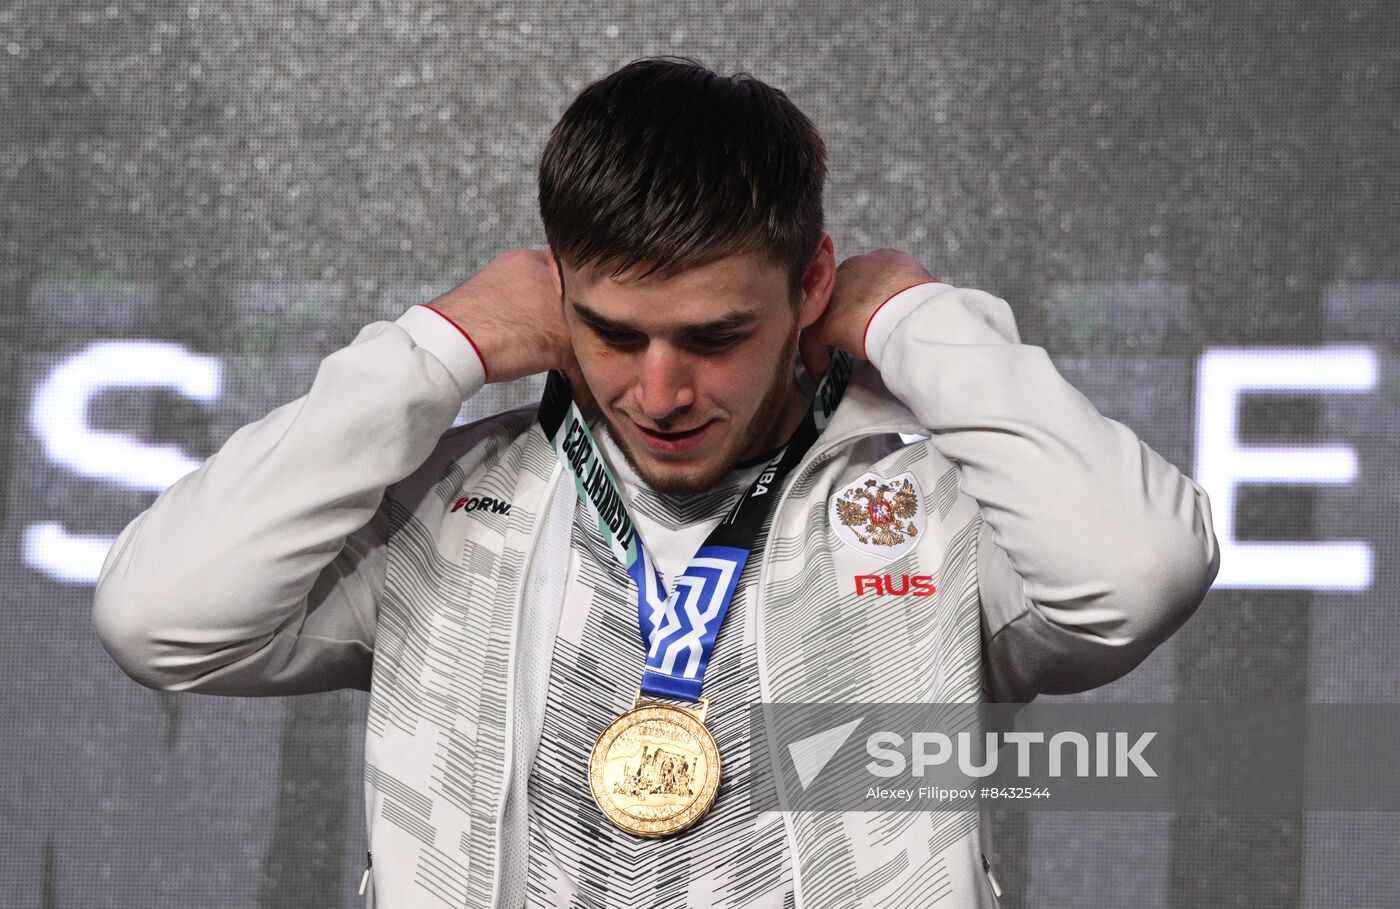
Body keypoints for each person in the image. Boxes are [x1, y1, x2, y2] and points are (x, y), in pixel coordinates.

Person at [92, 56, 1220, 907]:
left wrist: (917, 320)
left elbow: (1134, 573)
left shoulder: (929, 513)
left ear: (809, 283)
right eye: (614, 334)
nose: (661, 390)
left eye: (714, 335)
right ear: (557, 299)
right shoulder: (443, 513)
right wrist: (434, 349)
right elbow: (159, 622)